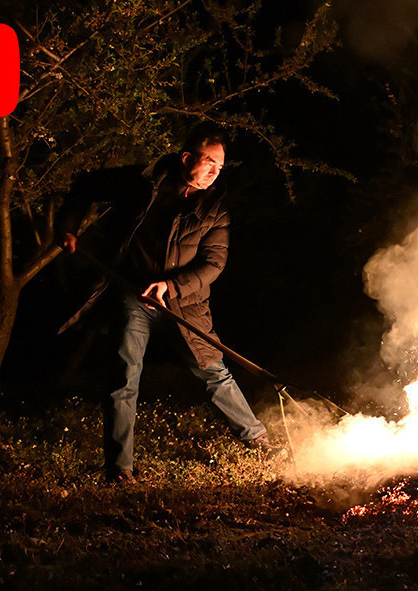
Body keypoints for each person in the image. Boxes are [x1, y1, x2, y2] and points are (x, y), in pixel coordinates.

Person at [57, 123, 272, 483]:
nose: (215, 172)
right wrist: (67, 226)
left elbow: (213, 264)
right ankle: (120, 469)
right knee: (124, 377)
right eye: (209, 163)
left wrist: (170, 286)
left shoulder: (215, 209)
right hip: (131, 295)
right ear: (187, 157)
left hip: (183, 303)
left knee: (212, 369)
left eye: (220, 167)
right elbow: (85, 185)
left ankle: (257, 438)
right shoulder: (141, 184)